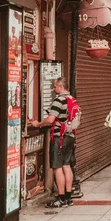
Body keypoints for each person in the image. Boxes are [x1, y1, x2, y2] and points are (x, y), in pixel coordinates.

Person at [29, 77, 75, 207]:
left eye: (55, 87)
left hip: (59, 137)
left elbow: (50, 120)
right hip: (70, 136)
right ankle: (68, 197)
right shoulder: (71, 99)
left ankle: (60, 198)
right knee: (67, 165)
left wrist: (38, 124)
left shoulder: (59, 100)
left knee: (57, 167)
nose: (53, 89)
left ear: (61, 87)